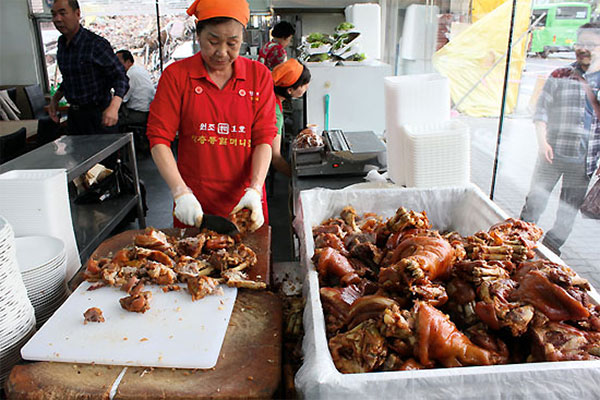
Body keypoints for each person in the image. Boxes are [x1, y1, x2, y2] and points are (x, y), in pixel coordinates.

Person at [146, 0, 276, 232]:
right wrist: (180, 192)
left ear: (242, 38)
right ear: (198, 34)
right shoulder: (177, 76)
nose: (222, 52)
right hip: (195, 204)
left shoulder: (260, 76)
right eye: (213, 41)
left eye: (232, 43)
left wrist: (255, 189)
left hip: (245, 205)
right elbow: (159, 139)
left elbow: (264, 139)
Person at [520, 23, 600, 256]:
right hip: (551, 155)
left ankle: (549, 251)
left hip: (585, 162)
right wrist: (542, 142)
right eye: (580, 44)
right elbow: (541, 110)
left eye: (590, 45)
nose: (583, 49)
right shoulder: (560, 75)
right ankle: (520, 245)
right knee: (534, 203)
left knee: (567, 213)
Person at [48, 0, 129, 135]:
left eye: (62, 13)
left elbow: (120, 77)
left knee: (104, 156)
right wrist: (54, 100)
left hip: (99, 115)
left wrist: (114, 107)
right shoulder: (62, 44)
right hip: (75, 116)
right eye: (54, 15)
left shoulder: (95, 44)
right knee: (77, 155)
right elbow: (70, 79)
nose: (57, 19)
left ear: (77, 14)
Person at [271, 59, 311, 177]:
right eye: (303, 85)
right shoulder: (274, 112)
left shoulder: (270, 97)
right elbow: (276, 158)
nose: (306, 88)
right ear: (289, 90)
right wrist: (297, 178)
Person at [115, 49, 156, 127]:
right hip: (148, 110)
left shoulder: (130, 75)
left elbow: (123, 98)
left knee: (111, 122)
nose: (116, 66)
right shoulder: (140, 69)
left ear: (128, 62)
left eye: (119, 63)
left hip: (138, 113)